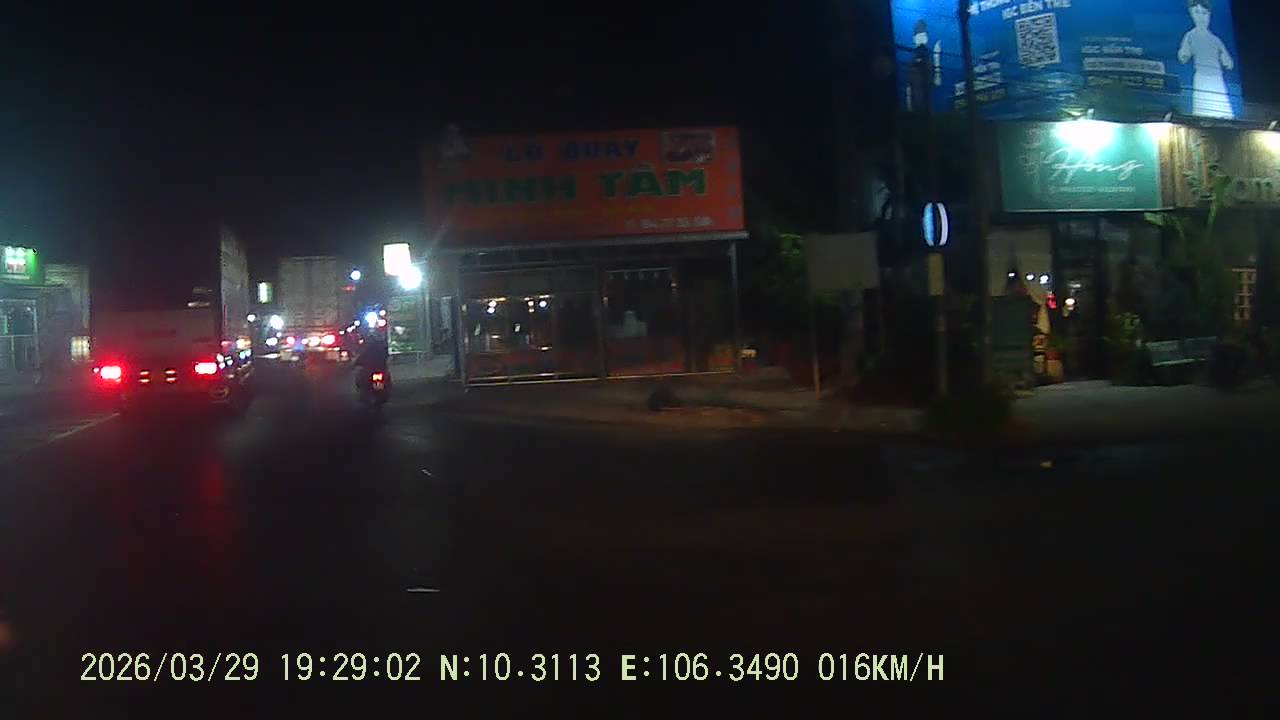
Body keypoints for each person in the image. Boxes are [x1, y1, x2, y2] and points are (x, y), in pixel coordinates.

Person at [1179, 0, 1235, 119]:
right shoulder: (1190, 36)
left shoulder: (1215, 40)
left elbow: (1228, 62)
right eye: (1197, 12)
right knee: (1202, 112)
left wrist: (1226, 61)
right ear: (1191, 13)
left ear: (1209, 14)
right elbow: (1183, 56)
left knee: (1222, 113)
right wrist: (1183, 54)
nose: (1201, 17)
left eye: (1204, 13)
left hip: (1217, 79)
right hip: (1201, 78)